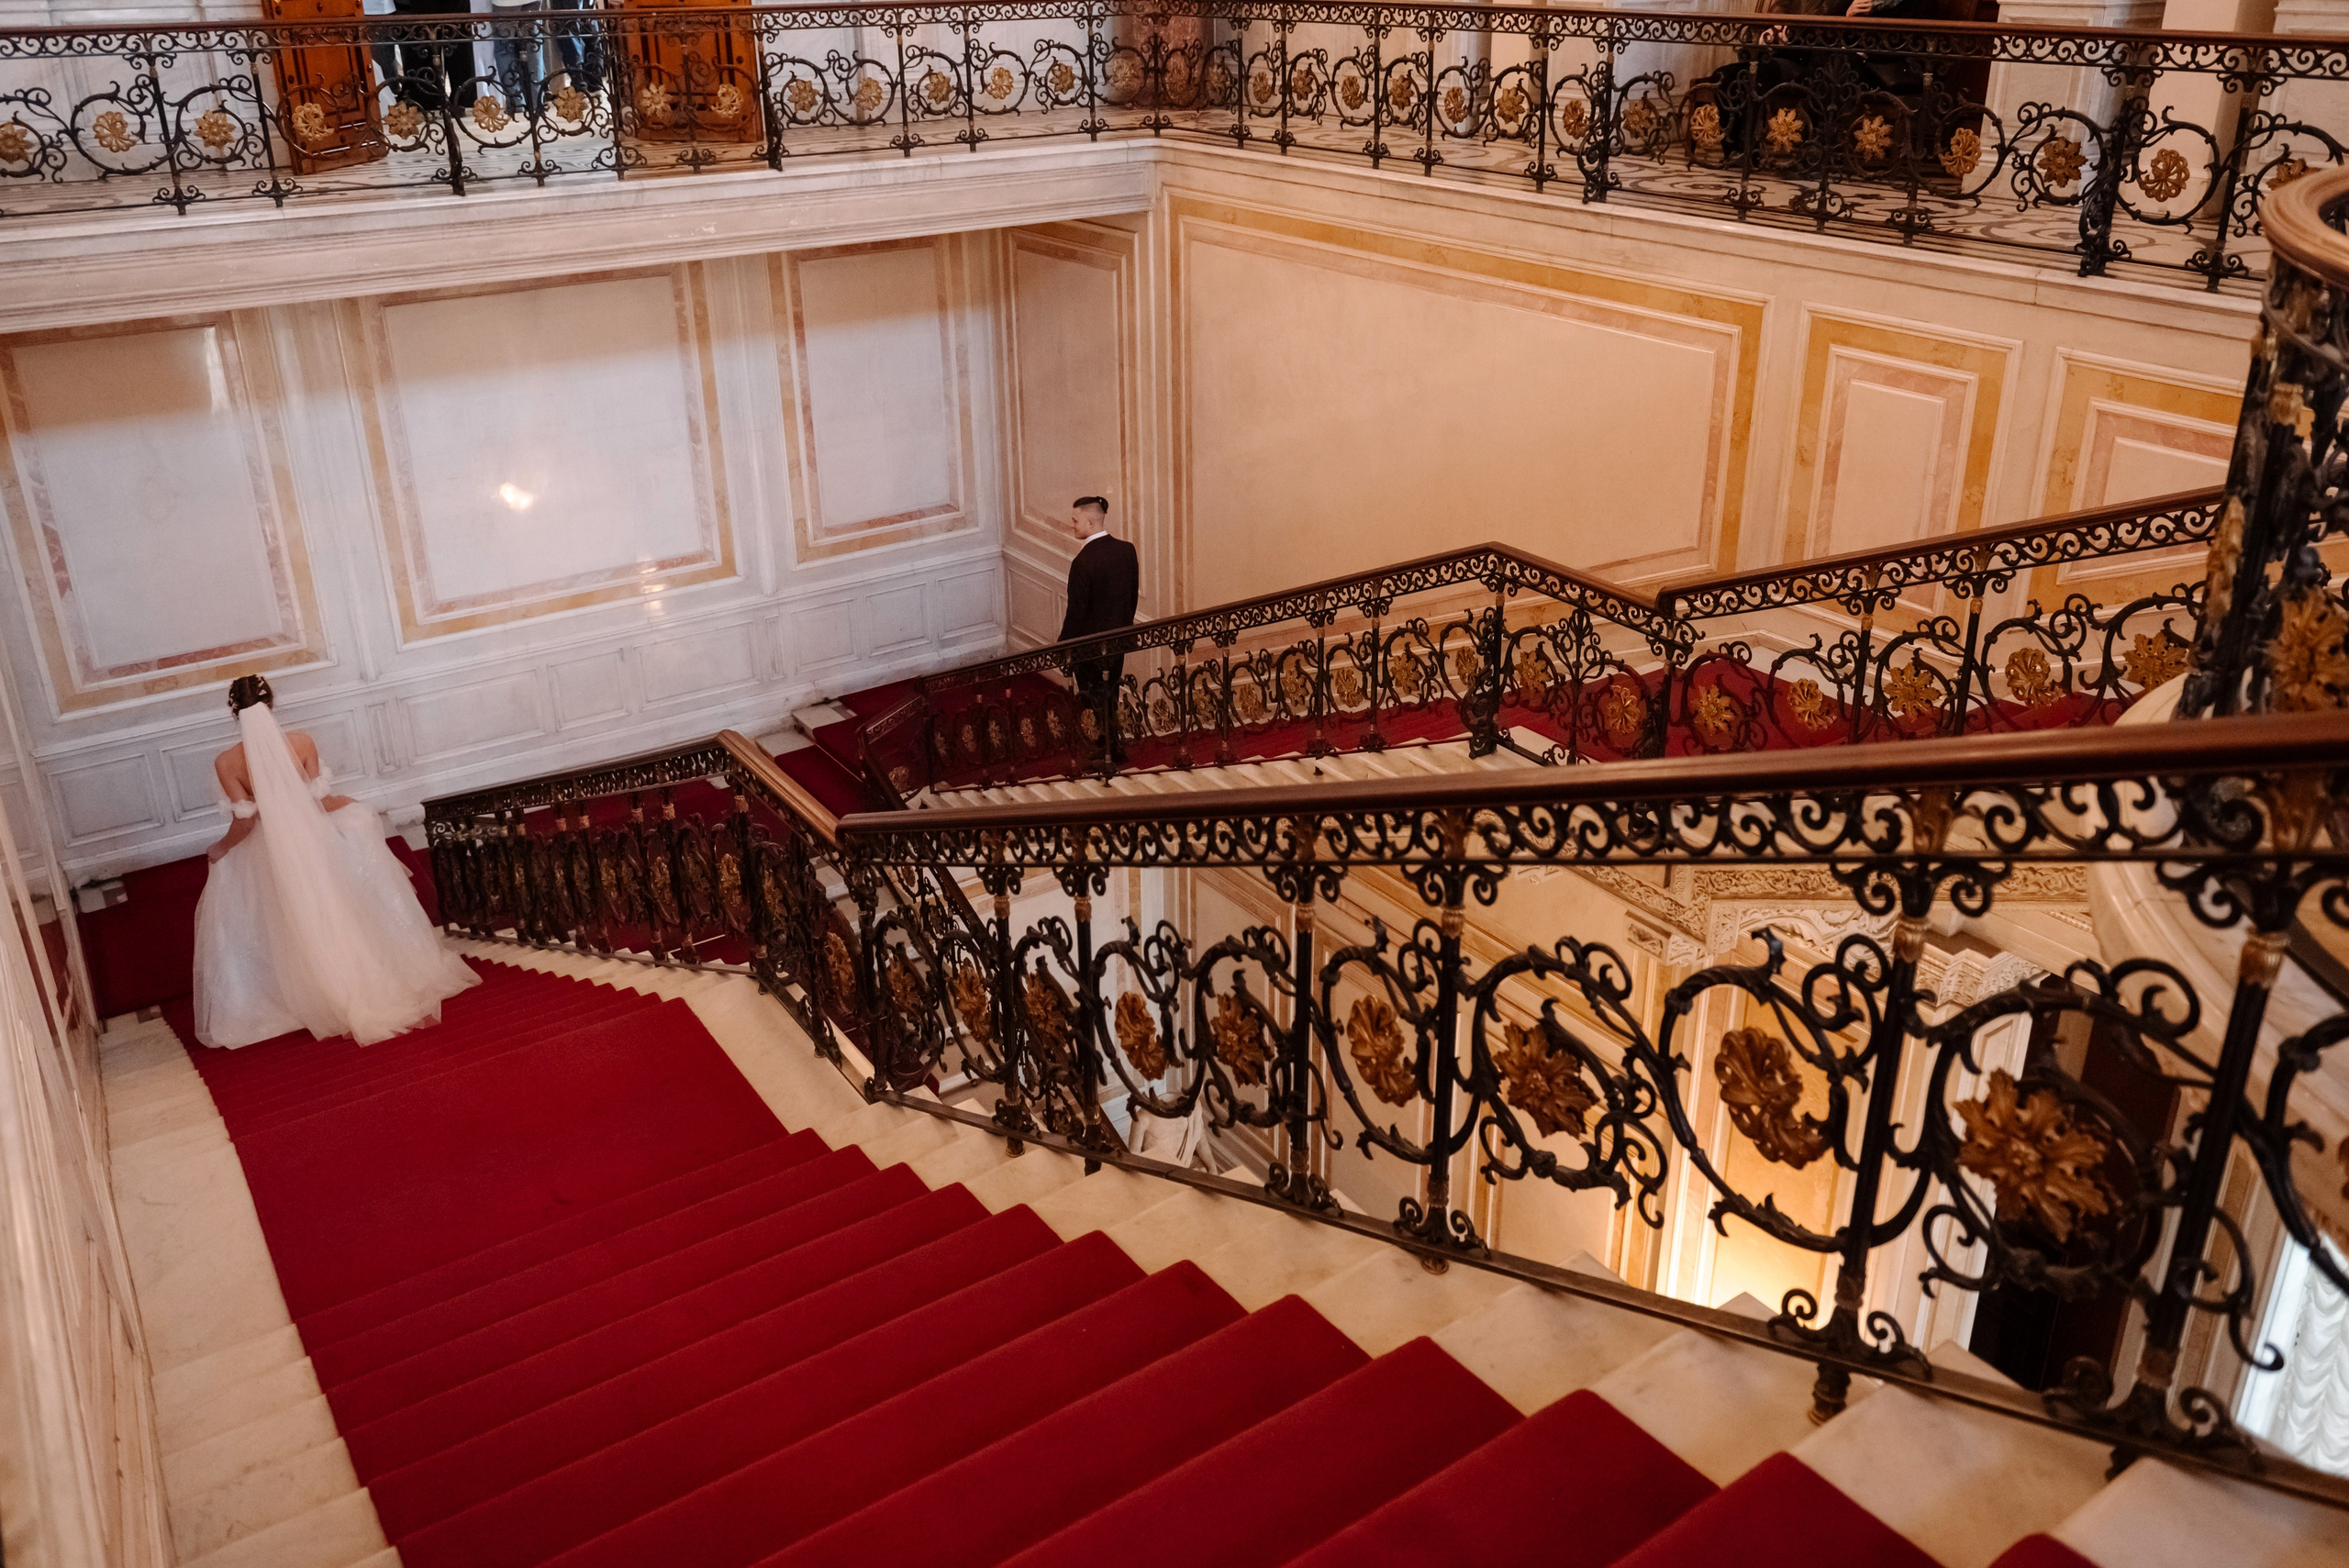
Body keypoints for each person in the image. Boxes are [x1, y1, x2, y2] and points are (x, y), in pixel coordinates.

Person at [191, 674, 479, 1048]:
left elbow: (245, 822)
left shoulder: (227, 761)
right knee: (336, 910)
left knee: (290, 919)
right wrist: (353, 806)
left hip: (273, 853)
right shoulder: (301, 742)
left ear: (233, 711)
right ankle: (359, 984)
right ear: (272, 703)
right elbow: (320, 803)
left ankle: (313, 994)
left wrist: (220, 848)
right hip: (315, 842)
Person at [1057, 496, 1140, 760]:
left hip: (1090, 650)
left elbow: (1076, 612)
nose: (1072, 525)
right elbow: (1131, 597)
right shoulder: (1126, 550)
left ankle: (1106, 752)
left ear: (1090, 521)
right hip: (1118, 642)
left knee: (1094, 700)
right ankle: (1114, 750)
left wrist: (1063, 646)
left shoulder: (1083, 563)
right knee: (1110, 694)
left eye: (1075, 520)